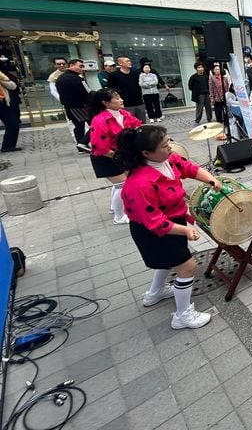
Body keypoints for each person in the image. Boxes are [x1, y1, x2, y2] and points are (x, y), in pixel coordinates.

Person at [116, 125, 218, 329]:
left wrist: (211, 179)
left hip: (174, 220)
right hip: (152, 231)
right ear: (146, 153)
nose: (170, 147)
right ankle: (182, 316)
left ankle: (155, 293)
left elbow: (188, 167)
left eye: (169, 141)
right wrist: (186, 230)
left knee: (167, 262)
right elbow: (155, 222)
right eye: (164, 145)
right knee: (187, 266)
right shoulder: (139, 184)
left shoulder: (167, 160)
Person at [88, 89, 142, 224]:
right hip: (105, 157)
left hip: (119, 154)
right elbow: (99, 147)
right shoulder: (99, 120)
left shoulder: (124, 114)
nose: (121, 100)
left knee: (121, 183)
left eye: (120, 97)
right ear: (106, 103)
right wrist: (120, 156)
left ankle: (114, 207)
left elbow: (137, 125)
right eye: (117, 98)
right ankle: (119, 216)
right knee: (123, 184)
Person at [55, 59, 92, 148]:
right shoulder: (76, 78)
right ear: (71, 65)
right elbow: (86, 92)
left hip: (70, 106)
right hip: (80, 106)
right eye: (80, 66)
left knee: (79, 126)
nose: (82, 68)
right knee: (95, 124)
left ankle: (81, 144)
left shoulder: (61, 77)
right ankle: (83, 143)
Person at [106, 57, 146, 123]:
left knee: (141, 123)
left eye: (129, 61)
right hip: (125, 104)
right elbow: (111, 90)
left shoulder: (136, 73)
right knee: (128, 124)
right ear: (120, 63)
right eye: (127, 61)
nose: (129, 62)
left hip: (139, 102)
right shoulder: (113, 75)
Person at [0, 67, 22, 152]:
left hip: (4, 103)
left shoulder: (2, 75)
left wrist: (2, 79)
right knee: (13, 124)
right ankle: (7, 146)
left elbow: (13, 86)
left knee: (14, 124)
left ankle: (8, 146)